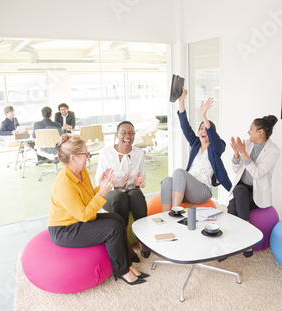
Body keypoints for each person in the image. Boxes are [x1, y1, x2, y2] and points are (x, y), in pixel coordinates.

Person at [48, 134, 147, 285]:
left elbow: (88, 201)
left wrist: (101, 186)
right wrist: (102, 192)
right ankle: (121, 271)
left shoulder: (82, 172)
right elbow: (85, 215)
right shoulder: (64, 183)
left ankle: (127, 264)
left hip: (78, 220)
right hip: (65, 229)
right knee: (112, 228)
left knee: (117, 218)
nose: (88, 156)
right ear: (73, 157)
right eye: (84, 153)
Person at [160, 88, 232, 212]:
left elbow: (215, 139)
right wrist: (181, 101)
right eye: (201, 128)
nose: (202, 131)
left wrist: (204, 116)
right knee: (167, 181)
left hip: (202, 191)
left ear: (212, 133)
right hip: (188, 188)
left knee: (178, 172)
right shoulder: (195, 144)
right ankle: (166, 216)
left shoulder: (217, 148)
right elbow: (185, 126)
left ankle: (175, 212)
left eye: (206, 129)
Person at [95, 121, 150, 261]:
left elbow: (141, 180)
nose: (128, 136)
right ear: (117, 135)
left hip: (130, 192)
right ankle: (124, 243)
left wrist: (138, 184)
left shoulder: (139, 153)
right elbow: (98, 182)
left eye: (131, 133)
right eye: (124, 133)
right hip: (110, 194)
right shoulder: (106, 153)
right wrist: (112, 184)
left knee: (136, 194)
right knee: (120, 196)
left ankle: (142, 240)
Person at [227, 115, 280, 258]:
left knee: (233, 204)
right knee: (238, 191)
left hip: (257, 194)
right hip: (242, 190)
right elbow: (236, 169)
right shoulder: (247, 144)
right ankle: (241, 240)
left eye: (251, 129)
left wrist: (243, 153)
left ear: (260, 132)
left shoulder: (273, 151)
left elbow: (257, 173)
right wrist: (237, 154)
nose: (248, 132)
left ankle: (237, 240)